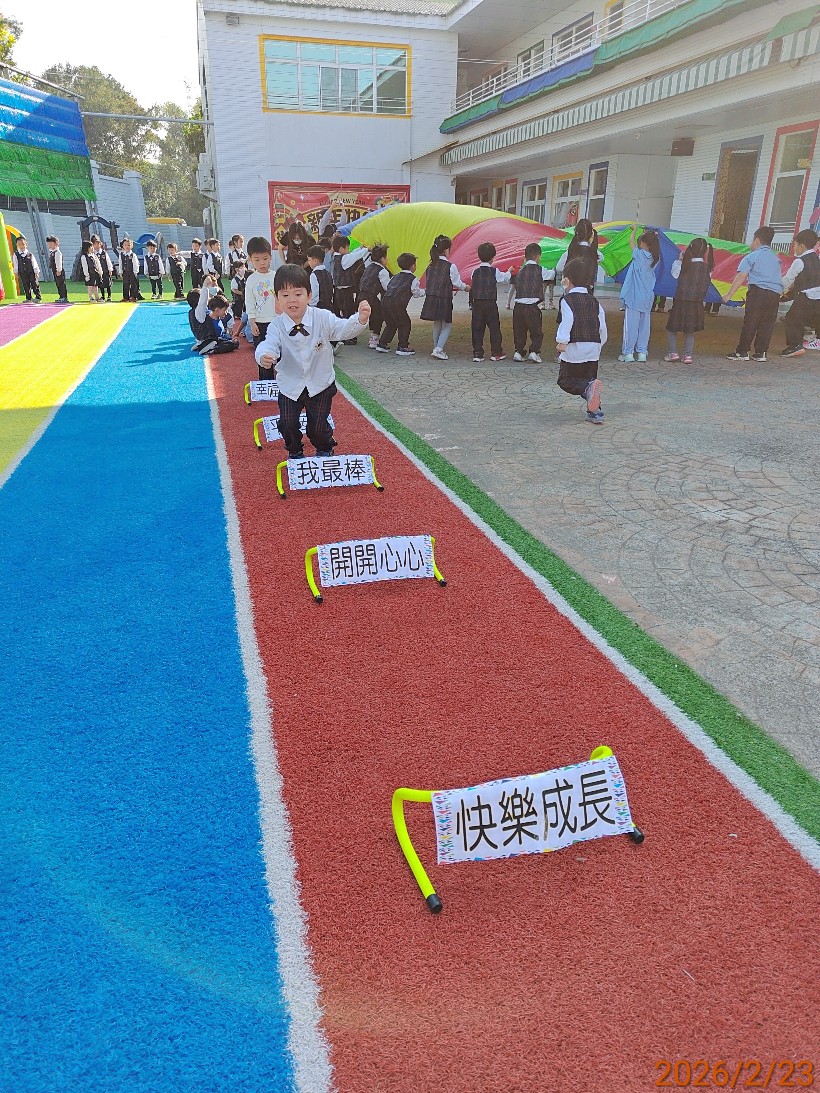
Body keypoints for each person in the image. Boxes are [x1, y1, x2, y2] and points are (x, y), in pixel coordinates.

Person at [255, 263, 371, 459]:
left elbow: (342, 329)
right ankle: (294, 451)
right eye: (285, 295)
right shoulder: (277, 325)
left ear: (309, 295)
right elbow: (269, 344)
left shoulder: (322, 317)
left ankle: (324, 447)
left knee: (317, 425)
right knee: (287, 423)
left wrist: (359, 320)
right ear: (277, 299)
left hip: (320, 383)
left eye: (298, 294)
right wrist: (264, 355)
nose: (292, 300)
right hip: (290, 385)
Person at [556, 256, 608, 424]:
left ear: (567, 280)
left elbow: (568, 320)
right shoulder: (595, 301)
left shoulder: (567, 300)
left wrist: (562, 341)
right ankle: (595, 412)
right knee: (591, 381)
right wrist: (599, 344)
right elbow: (602, 326)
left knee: (565, 380)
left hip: (574, 348)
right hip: (593, 348)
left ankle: (587, 390)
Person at [722, 226, 783, 362]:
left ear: (757, 240)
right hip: (775, 294)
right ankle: (761, 353)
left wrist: (729, 295)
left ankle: (742, 352)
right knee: (767, 324)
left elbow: (741, 276)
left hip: (758, 292)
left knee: (751, 321)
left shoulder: (752, 256)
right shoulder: (776, 258)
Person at [664, 238, 715, 363]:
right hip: (697, 304)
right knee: (690, 330)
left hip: (680, 302)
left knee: (672, 328)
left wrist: (679, 260)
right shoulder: (708, 269)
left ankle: (672, 353)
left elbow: (674, 274)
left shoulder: (683, 265)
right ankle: (687, 356)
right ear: (705, 252)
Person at [420, 234, 467, 360]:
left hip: (431, 297)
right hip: (444, 298)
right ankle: (439, 349)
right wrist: (466, 287)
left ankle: (436, 347)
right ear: (446, 250)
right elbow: (457, 283)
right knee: (447, 324)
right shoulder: (450, 266)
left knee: (437, 323)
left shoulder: (430, 265)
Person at [619, 227, 660, 362]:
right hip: (647, 298)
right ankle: (642, 352)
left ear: (642, 243)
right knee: (644, 327)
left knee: (631, 326)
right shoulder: (655, 259)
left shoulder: (638, 255)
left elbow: (631, 242)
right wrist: (646, 235)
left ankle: (628, 353)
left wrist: (634, 231)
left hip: (634, 297)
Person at [780, 228, 820, 358]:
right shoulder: (817, 259)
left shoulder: (799, 261)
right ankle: (810, 339)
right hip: (818, 298)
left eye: (795, 245)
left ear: (802, 246)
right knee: (803, 319)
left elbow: (787, 280)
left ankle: (795, 346)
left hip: (806, 297)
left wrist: (777, 290)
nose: (794, 248)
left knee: (791, 319)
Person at [469, 241, 510, 362]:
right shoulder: (494, 271)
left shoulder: (474, 272)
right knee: (494, 328)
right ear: (493, 257)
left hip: (477, 303)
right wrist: (509, 271)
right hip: (490, 303)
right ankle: (496, 352)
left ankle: (478, 353)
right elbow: (504, 278)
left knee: (477, 328)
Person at [377, 252, 424, 356]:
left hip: (385, 301)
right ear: (413, 266)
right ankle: (402, 346)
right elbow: (415, 292)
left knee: (391, 323)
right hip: (397, 303)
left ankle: (382, 344)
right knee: (405, 323)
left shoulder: (395, 276)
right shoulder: (413, 278)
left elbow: (389, 287)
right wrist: (424, 292)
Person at [245, 236, 278, 374]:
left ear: (270, 257)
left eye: (265, 258)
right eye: (257, 260)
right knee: (264, 357)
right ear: (250, 260)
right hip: (260, 323)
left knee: (281, 356)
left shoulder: (276, 276)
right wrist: (252, 322)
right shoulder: (251, 280)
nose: (262, 263)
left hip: (277, 321)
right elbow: (249, 302)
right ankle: (265, 382)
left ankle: (283, 382)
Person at [511, 242, 549, 362]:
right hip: (532, 307)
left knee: (519, 331)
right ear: (538, 257)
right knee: (536, 331)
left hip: (518, 307)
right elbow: (551, 275)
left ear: (525, 257)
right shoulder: (540, 270)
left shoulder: (520, 271)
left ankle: (518, 352)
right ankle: (534, 352)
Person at [331, 234, 369, 346]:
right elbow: (354, 256)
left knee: (341, 313)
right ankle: (349, 336)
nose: (348, 250)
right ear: (341, 249)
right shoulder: (344, 258)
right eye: (347, 248)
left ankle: (342, 335)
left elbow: (352, 255)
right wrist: (366, 250)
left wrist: (360, 248)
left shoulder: (336, 256)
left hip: (338, 291)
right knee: (349, 313)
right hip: (345, 291)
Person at [188, 276, 239, 355]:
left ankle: (201, 345)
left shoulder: (194, 312)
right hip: (209, 337)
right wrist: (205, 285)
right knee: (232, 345)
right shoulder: (199, 312)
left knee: (229, 340)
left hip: (204, 337)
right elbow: (203, 301)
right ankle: (212, 348)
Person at [357, 244, 391, 348]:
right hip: (371, 296)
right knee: (379, 315)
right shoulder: (382, 271)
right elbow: (387, 286)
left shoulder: (369, 267)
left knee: (370, 315)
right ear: (382, 259)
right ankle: (374, 338)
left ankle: (372, 335)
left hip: (360, 295)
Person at [556, 219, 599, 293]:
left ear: (577, 233)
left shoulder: (570, 251)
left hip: (571, 292)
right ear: (591, 235)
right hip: (587, 293)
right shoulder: (595, 253)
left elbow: (559, 268)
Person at [306, 245, 335, 311]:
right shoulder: (328, 273)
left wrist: (311, 306)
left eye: (309, 260)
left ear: (315, 261)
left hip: (319, 307)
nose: (308, 262)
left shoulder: (314, 275)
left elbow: (315, 294)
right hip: (329, 307)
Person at [12, 236, 41, 301]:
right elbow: (15, 264)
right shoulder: (16, 254)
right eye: (19, 244)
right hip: (22, 272)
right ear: (17, 245)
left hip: (31, 271)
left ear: (26, 244)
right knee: (26, 284)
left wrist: (36, 272)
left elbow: (34, 263)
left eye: (23, 244)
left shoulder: (30, 254)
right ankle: (28, 298)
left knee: (34, 283)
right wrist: (16, 272)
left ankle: (38, 297)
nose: (21, 246)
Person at [230, 259, 250, 340]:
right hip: (239, 300)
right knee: (243, 316)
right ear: (236, 269)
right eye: (242, 267)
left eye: (244, 266)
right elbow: (234, 290)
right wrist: (243, 293)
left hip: (245, 299)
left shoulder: (245, 278)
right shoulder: (235, 280)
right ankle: (244, 331)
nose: (244, 268)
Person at [45, 236, 69, 304]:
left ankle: (64, 297)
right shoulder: (52, 252)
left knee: (61, 284)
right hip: (54, 270)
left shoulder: (57, 252)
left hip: (58, 270)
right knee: (58, 284)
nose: (49, 245)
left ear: (56, 243)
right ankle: (61, 296)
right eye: (48, 244)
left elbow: (59, 262)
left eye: (51, 244)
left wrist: (58, 270)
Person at [92, 237, 114, 302]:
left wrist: (110, 269)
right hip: (99, 272)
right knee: (101, 284)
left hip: (106, 271)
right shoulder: (93, 254)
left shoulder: (104, 253)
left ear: (100, 244)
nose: (97, 246)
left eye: (98, 244)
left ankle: (109, 296)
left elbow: (108, 261)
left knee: (108, 284)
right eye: (95, 244)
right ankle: (103, 296)